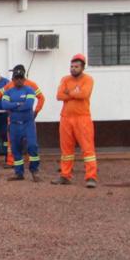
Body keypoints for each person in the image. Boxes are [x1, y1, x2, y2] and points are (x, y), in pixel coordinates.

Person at [53, 53, 97, 188]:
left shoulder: (88, 79)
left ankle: (91, 177)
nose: (73, 69)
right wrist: (74, 93)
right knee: (66, 149)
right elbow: (59, 96)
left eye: (76, 66)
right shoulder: (65, 79)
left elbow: (84, 94)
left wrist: (69, 93)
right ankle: (65, 175)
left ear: (83, 67)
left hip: (82, 118)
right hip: (65, 118)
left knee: (87, 149)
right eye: (71, 66)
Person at [0, 66, 40, 182]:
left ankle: (34, 170)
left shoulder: (29, 90)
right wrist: (19, 104)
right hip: (14, 125)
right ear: (12, 79)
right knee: (15, 149)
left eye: (21, 78)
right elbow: (4, 105)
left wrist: (13, 105)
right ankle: (19, 173)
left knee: (32, 146)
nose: (18, 80)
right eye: (16, 78)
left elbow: (28, 105)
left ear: (24, 79)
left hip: (28, 124)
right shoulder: (8, 92)